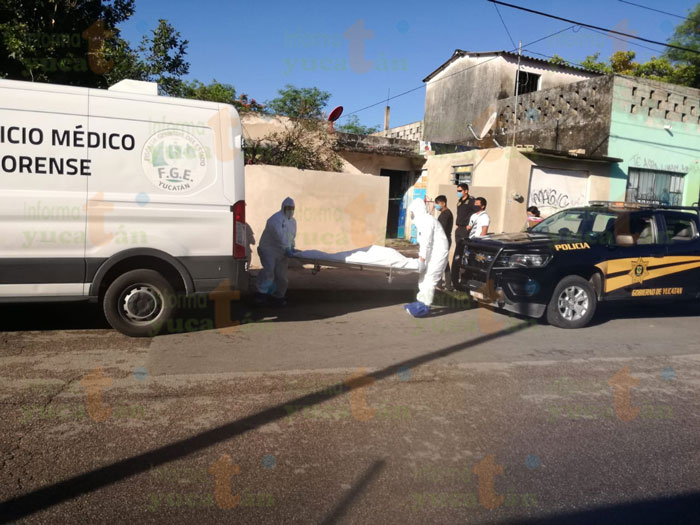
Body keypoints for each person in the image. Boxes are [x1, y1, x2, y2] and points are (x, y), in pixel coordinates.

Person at [404, 198, 450, 318]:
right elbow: (424, 244)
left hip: (438, 253)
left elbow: (426, 242)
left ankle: (424, 307)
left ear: (417, 210)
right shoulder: (422, 221)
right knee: (423, 277)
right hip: (432, 252)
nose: (411, 215)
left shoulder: (427, 221)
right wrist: (422, 258)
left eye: (412, 212)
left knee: (430, 278)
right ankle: (420, 302)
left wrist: (422, 259)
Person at [256, 197, 297, 305]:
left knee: (281, 276)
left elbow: (291, 236)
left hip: (282, 251)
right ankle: (261, 294)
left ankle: (278, 296)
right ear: (283, 207)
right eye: (288, 208)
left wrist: (292, 246)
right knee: (269, 271)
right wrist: (287, 247)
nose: (290, 210)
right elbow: (279, 236)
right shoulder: (275, 219)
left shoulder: (293, 222)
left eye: (292, 208)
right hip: (268, 249)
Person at [451, 183, 478, 289]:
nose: (458, 192)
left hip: (465, 229)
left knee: (463, 254)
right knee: (458, 254)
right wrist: (457, 225)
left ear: (466, 191)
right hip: (459, 228)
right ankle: (455, 278)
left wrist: (470, 225)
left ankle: (464, 278)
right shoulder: (460, 201)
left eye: (460, 191)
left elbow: (477, 214)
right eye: (457, 191)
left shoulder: (471, 201)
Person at [434, 195, 454, 291]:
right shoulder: (445, 213)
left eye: (437, 203)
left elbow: (441, 229)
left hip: (443, 241)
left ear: (443, 203)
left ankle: (442, 284)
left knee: (441, 261)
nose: (436, 205)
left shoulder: (446, 214)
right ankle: (446, 284)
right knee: (444, 262)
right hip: (444, 240)